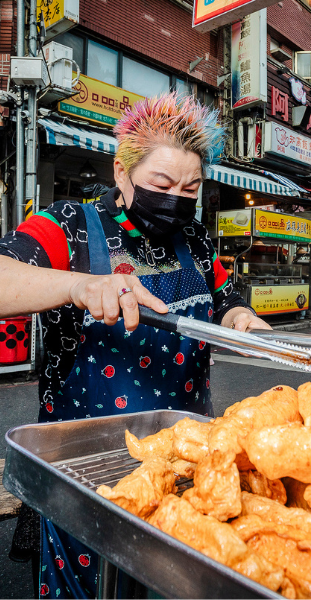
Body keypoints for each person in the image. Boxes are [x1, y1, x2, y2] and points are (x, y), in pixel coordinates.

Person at [0, 92, 271, 599]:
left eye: (190, 187)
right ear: (122, 173)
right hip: (90, 473)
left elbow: (225, 298)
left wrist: (241, 320)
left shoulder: (194, 239)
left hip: (188, 466)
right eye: (161, 184)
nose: (177, 199)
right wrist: (77, 285)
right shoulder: (71, 225)